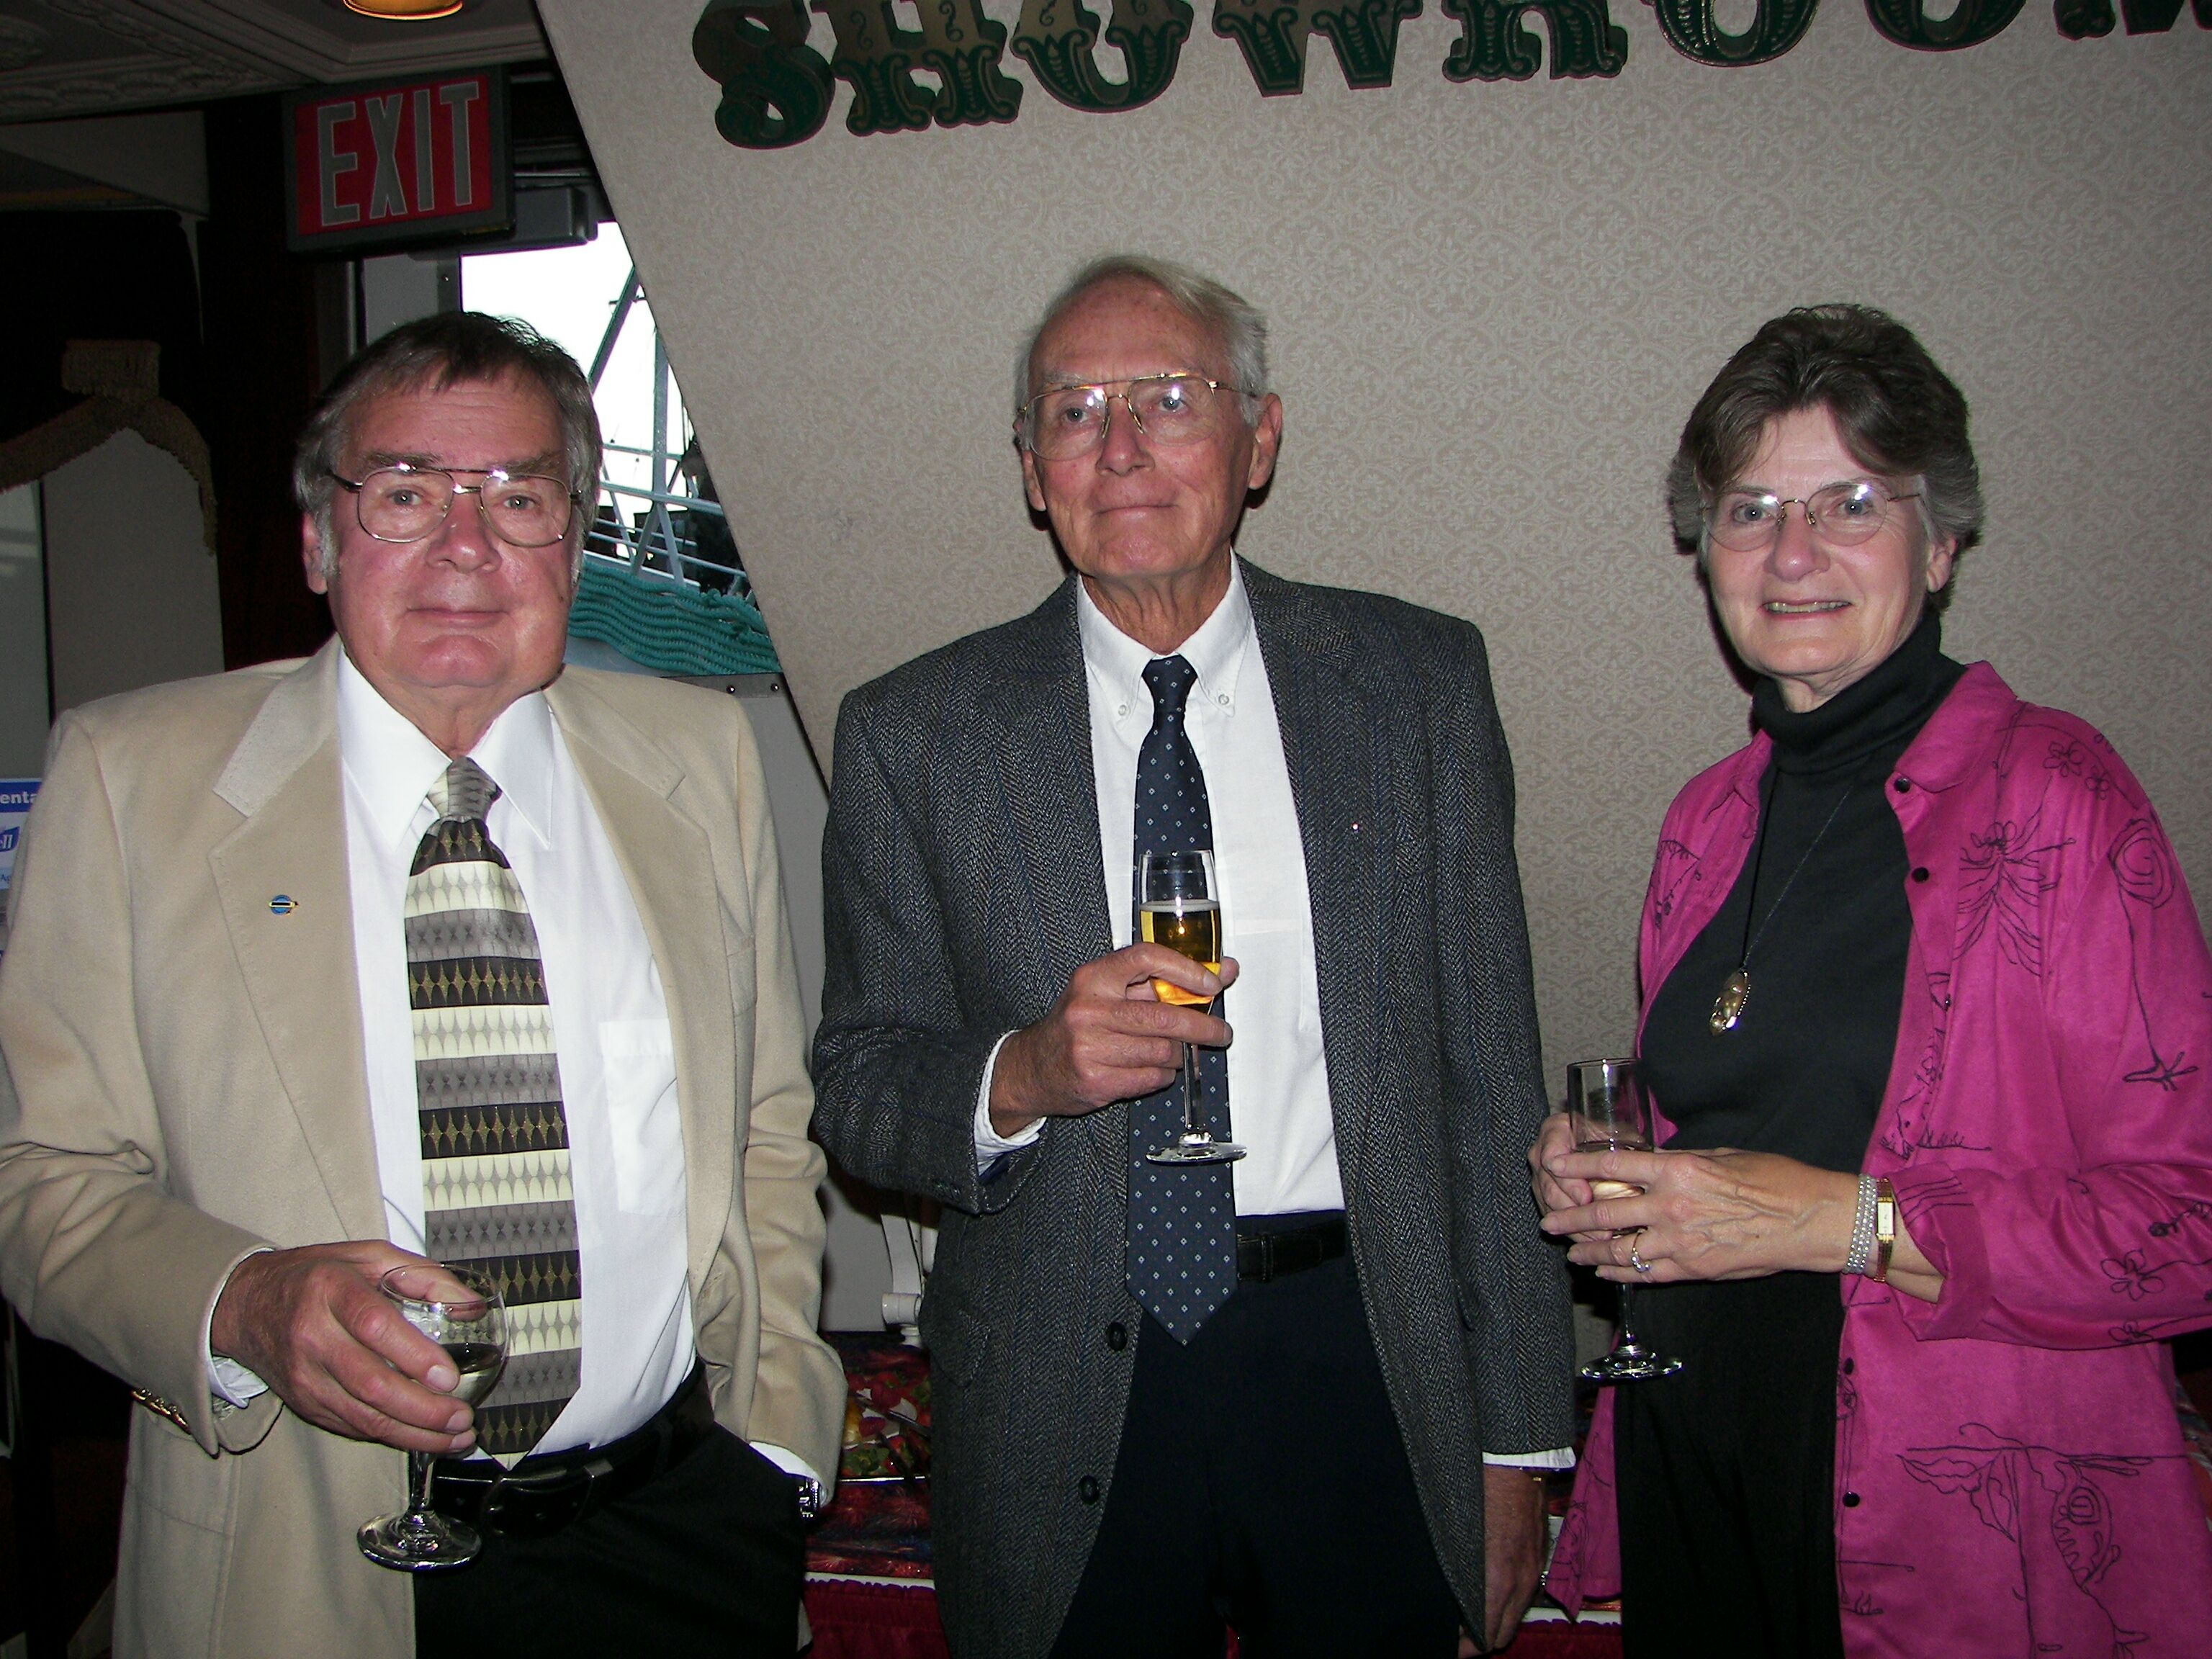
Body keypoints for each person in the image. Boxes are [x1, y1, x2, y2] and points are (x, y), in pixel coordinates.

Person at [0, 313, 844, 1659]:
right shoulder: (128, 779)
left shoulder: (700, 759)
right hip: (308, 1554)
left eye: (518, 499)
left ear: (575, 544)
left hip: (676, 1535)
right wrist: (243, 1302)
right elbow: (41, 1177)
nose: (466, 548)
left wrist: (777, 1437)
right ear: (320, 541)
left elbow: (762, 1130)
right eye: (404, 494)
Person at [811, 255, 1573, 1659]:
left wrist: (1522, 1437)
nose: (1120, 448)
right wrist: (1025, 1072)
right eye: (1073, 410)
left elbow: (1490, 1081)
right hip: (1059, 1372)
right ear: (1033, 469)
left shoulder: (1415, 688)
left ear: (1258, 437)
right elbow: (858, 1090)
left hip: (1361, 1357)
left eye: (1169, 399)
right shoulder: (912, 735)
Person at [1537, 304, 2212, 1656]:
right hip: (1698, 1461)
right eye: (1748, 510)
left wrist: (1840, 1223)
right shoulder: (1708, 819)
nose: (1793, 554)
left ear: (1943, 537)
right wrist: (1612, 1176)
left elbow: (2183, 1227)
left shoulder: (2058, 798)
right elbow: (1738, 1130)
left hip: (1941, 1527)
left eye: (1850, 501)